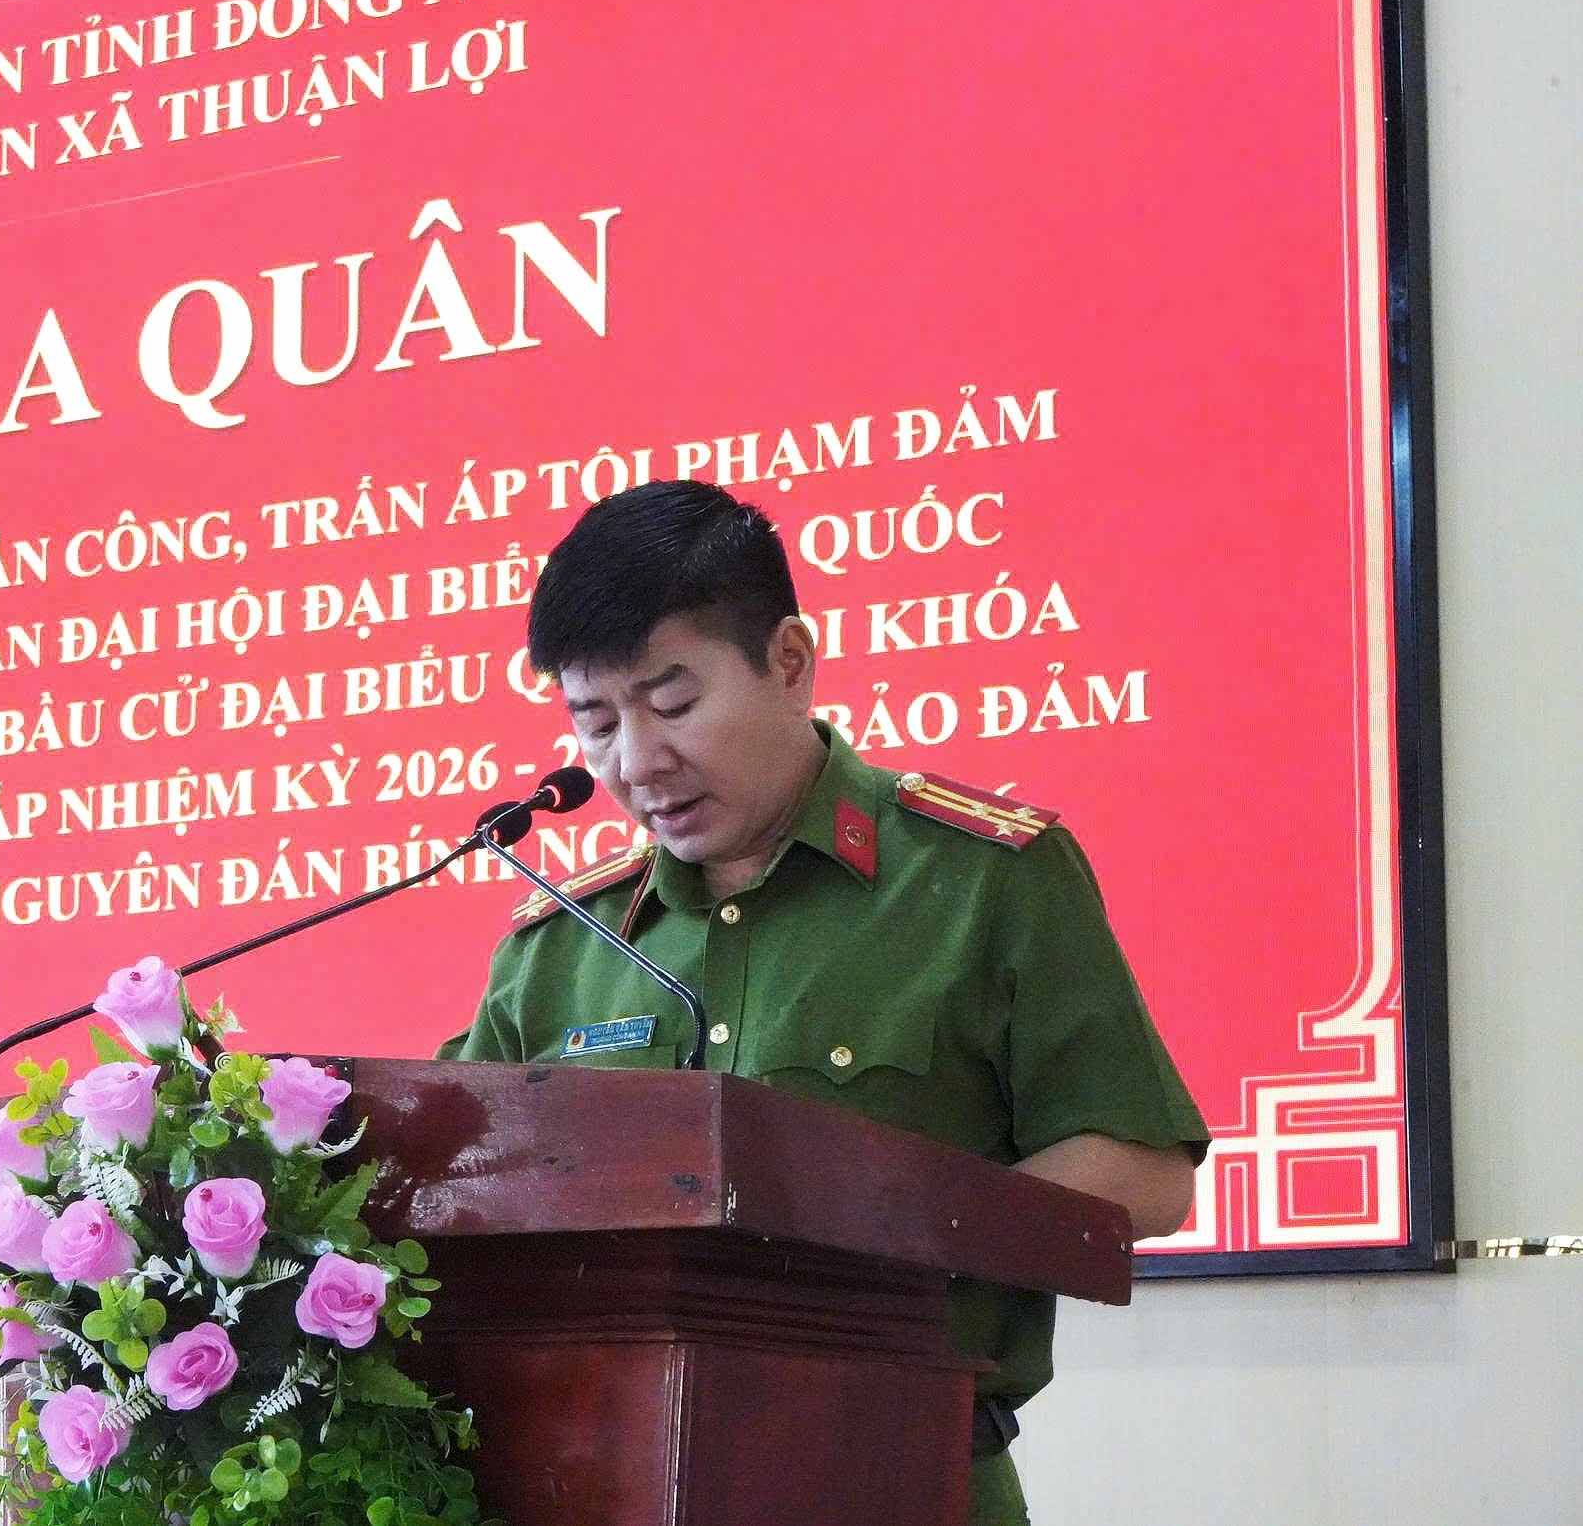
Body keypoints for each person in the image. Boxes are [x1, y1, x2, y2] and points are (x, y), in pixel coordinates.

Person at [438, 479, 1208, 1526]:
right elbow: (444, 1191)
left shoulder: (984, 881)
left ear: (790, 662)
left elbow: (1144, 1174)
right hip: (598, 1485)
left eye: (673, 704)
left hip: (898, 1473)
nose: (638, 760)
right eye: (597, 722)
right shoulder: (560, 944)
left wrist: (868, 1231)